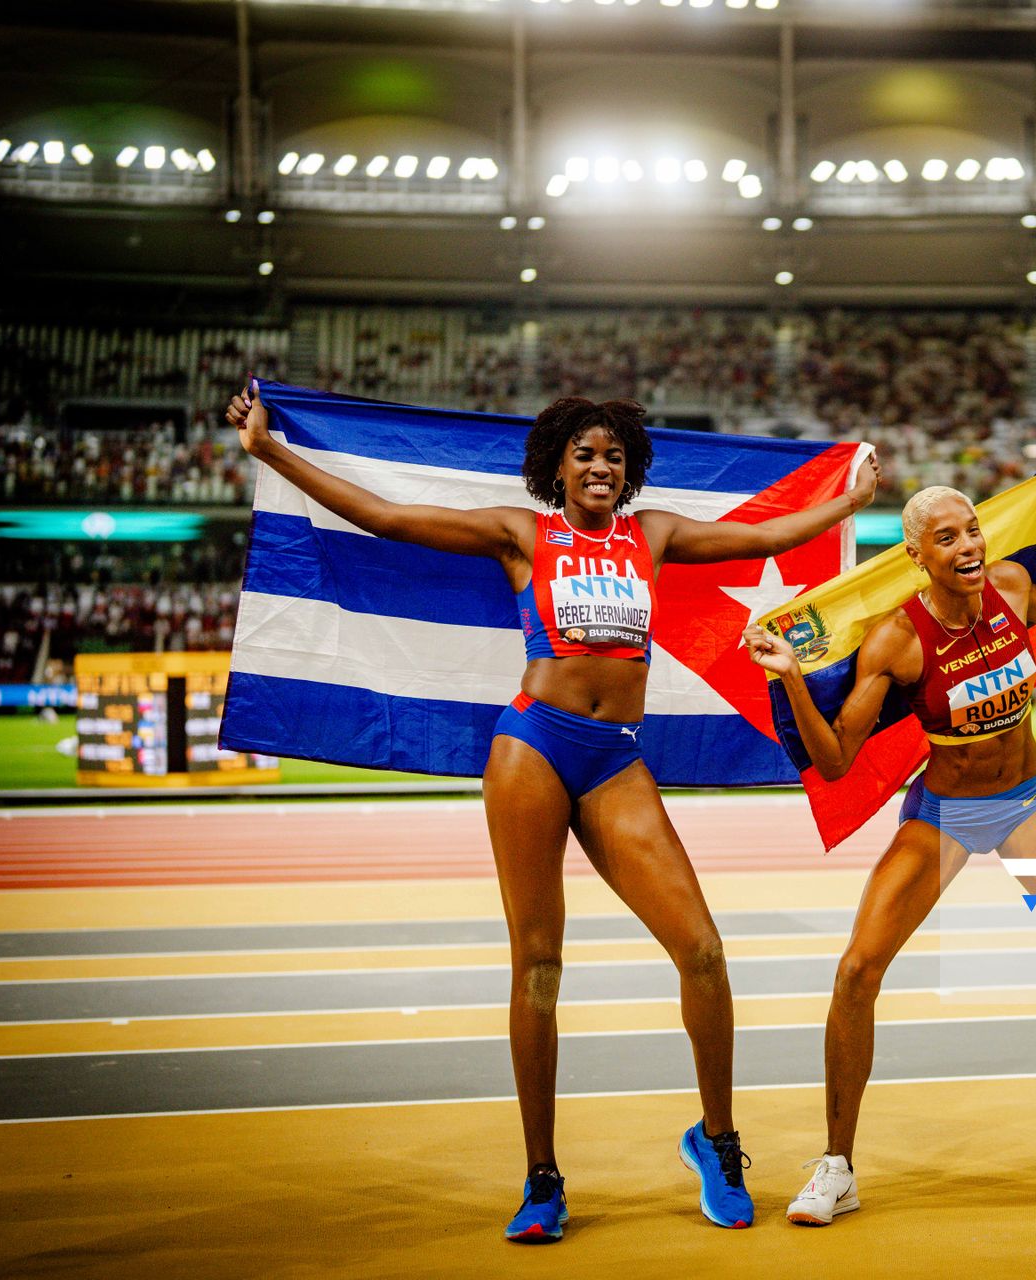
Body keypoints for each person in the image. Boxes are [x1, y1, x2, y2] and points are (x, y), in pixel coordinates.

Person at [227, 381, 878, 1241]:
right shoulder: (523, 534)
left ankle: (716, 1139)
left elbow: (763, 535)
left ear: (630, 468)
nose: (600, 466)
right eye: (585, 454)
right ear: (557, 468)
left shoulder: (657, 535)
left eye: (613, 455)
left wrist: (856, 499)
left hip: (616, 760)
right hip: (532, 749)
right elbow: (386, 517)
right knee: (538, 964)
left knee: (704, 951)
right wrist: (271, 451)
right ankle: (542, 1177)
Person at [743, 461, 1036, 1226]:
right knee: (856, 972)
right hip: (945, 814)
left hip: (1023, 806)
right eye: (948, 538)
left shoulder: (1006, 586)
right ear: (918, 556)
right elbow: (835, 762)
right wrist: (795, 682)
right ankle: (836, 1166)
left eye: (972, 529)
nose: (968, 545)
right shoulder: (898, 642)